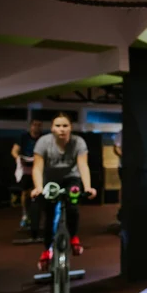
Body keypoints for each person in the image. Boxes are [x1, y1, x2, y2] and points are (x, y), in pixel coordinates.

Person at [31, 113, 97, 271]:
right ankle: (47, 250)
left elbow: (83, 166)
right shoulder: (43, 142)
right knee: (50, 215)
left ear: (70, 128)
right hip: (50, 180)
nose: (62, 129)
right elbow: (38, 167)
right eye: (58, 126)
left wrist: (88, 187)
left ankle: (74, 237)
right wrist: (38, 187)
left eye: (65, 126)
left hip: (71, 179)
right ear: (52, 128)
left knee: (73, 204)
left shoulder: (78, 142)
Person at [11, 119, 42, 229]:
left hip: (38, 166)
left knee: (39, 190)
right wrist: (18, 158)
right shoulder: (23, 137)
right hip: (25, 167)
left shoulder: (43, 139)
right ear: (31, 126)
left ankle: (37, 215)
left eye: (39, 125)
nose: (37, 127)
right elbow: (14, 151)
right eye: (35, 125)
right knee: (25, 192)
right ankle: (25, 214)